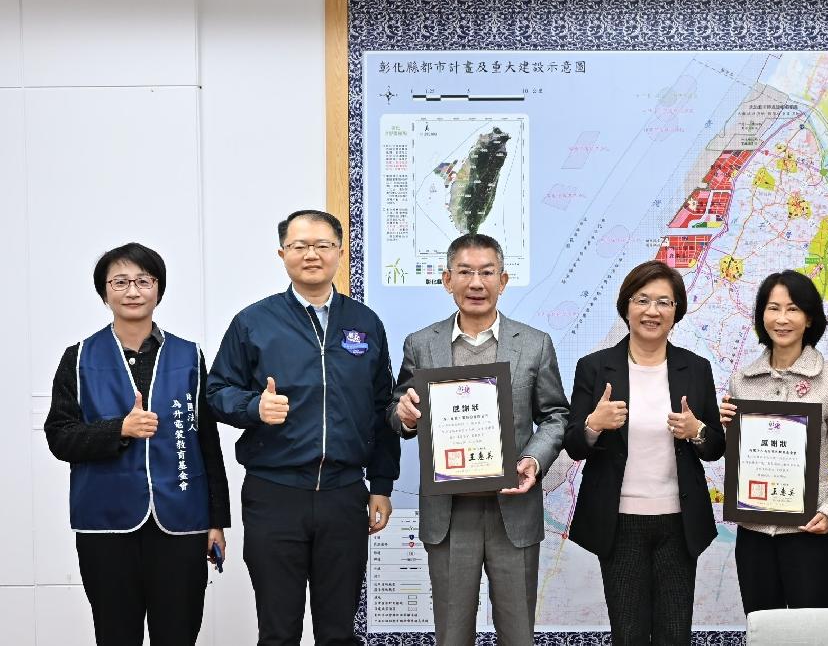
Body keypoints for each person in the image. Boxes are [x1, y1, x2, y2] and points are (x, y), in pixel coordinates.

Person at [207, 210, 399, 646]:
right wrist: (254, 406)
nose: (311, 254)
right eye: (299, 246)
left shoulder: (365, 323)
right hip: (275, 493)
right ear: (282, 254)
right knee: (278, 632)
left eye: (322, 245)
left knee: (338, 632)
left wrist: (381, 485)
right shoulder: (254, 321)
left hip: (344, 495)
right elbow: (216, 392)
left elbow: (381, 407)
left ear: (339, 252)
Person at [44, 243, 230, 645]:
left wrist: (215, 520)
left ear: (158, 289)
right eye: (121, 282)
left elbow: (206, 443)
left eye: (143, 281)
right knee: (116, 635)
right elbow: (59, 436)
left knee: (178, 634)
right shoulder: (78, 357)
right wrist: (119, 430)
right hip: (105, 523)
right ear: (104, 291)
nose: (133, 291)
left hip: (181, 521)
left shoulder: (189, 355)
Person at [388, 233, 569, 646]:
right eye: (465, 272)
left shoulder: (535, 344)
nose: (476, 283)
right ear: (447, 280)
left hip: (513, 509)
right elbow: (398, 408)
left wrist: (533, 460)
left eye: (487, 272)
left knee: (518, 635)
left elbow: (556, 416)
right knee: (452, 636)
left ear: (502, 281)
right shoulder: (421, 344)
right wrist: (404, 415)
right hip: (450, 514)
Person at [564, 259, 726, 645]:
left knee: (674, 634)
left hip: (678, 522)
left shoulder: (696, 368)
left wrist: (698, 431)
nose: (652, 311)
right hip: (619, 522)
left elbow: (715, 447)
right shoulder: (594, 368)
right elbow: (573, 445)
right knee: (629, 634)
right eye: (642, 300)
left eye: (664, 302)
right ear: (626, 307)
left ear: (676, 312)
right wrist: (594, 424)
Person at [718, 270, 828, 612]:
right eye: (773, 308)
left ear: (809, 318)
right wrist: (728, 429)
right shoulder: (741, 381)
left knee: (813, 633)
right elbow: (745, 458)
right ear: (761, 316)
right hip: (753, 534)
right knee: (763, 629)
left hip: (809, 533)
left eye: (793, 309)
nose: (782, 319)